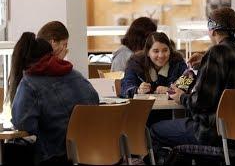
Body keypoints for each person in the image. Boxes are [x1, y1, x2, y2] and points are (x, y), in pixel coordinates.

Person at [149, 7, 235, 164]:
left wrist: (181, 97)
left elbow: (201, 102)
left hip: (213, 133)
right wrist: (204, 62)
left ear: (212, 30)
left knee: (154, 130)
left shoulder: (215, 53)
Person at [8, 32, 99, 165]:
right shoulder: (75, 74)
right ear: (50, 54)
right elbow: (95, 100)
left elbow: (23, 124)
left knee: (12, 151)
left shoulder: (29, 83)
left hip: (56, 156)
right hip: (93, 152)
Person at [120, 32, 187, 98]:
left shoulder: (178, 62)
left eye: (165, 50)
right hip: (143, 108)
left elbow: (187, 87)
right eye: (156, 51)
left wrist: (170, 91)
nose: (161, 55)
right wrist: (138, 90)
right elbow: (125, 88)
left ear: (170, 50)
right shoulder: (135, 63)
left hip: (172, 108)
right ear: (148, 53)